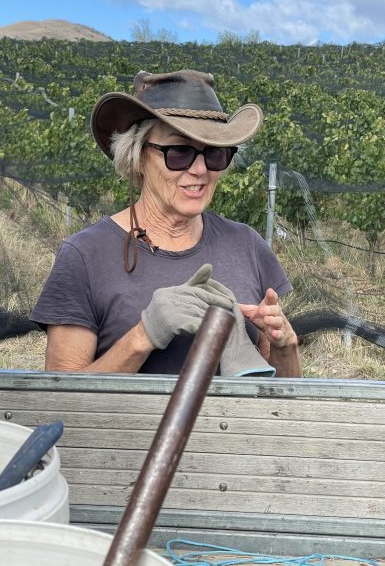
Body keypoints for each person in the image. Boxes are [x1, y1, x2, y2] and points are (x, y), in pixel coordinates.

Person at [30, 69, 301, 378]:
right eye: (179, 152)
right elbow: (62, 399)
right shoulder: (85, 256)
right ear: (137, 156)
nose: (199, 170)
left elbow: (280, 399)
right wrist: (144, 335)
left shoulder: (246, 245)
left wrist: (285, 347)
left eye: (214, 154)